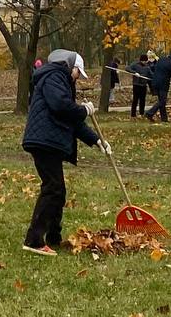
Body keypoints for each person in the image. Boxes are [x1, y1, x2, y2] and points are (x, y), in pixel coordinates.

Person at [20, 49, 105, 256]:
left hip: (49, 141)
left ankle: (54, 238)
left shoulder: (61, 81)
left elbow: (72, 120)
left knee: (58, 191)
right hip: (43, 140)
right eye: (78, 73)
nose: (78, 77)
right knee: (53, 188)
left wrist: (97, 140)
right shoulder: (54, 76)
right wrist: (84, 109)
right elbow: (60, 107)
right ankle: (34, 240)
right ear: (71, 67)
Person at [144, 52, 171, 123]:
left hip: (155, 83)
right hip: (163, 84)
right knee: (162, 101)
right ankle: (149, 113)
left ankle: (164, 119)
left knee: (162, 101)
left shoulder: (161, 60)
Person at [126, 53, 151, 118]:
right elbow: (127, 68)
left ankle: (141, 113)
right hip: (136, 85)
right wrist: (135, 73)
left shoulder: (147, 67)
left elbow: (151, 74)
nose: (145, 62)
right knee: (135, 100)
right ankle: (133, 114)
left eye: (146, 61)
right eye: (144, 61)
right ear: (141, 60)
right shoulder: (135, 65)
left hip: (144, 85)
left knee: (142, 100)